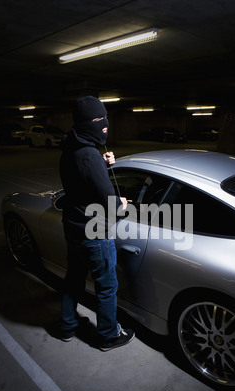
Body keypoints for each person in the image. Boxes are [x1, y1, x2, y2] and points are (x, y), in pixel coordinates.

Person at [58, 95, 135, 351]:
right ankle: (108, 335)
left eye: (104, 117)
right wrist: (122, 205)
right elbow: (110, 202)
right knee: (106, 285)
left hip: (74, 226)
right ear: (84, 123)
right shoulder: (89, 154)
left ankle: (67, 326)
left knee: (74, 279)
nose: (103, 124)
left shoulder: (73, 145)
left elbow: (81, 177)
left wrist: (102, 164)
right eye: (96, 119)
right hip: (94, 231)